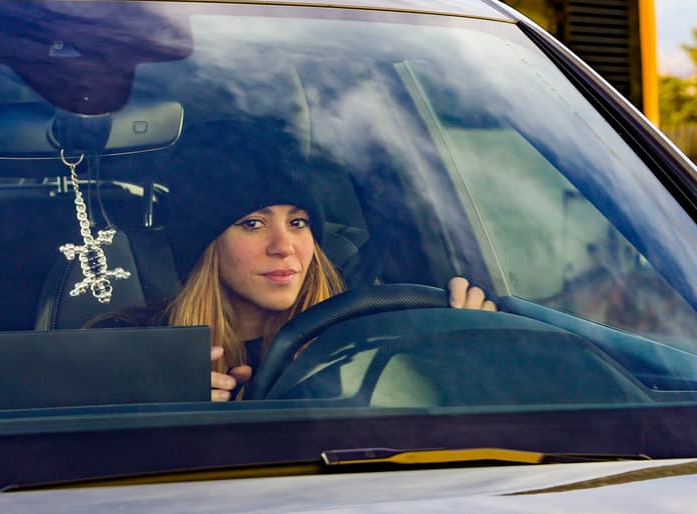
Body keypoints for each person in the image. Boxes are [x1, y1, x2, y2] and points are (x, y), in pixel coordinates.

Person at [94, 122, 495, 401]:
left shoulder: (370, 332)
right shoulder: (134, 348)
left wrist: (465, 336)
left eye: (298, 222)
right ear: (205, 246)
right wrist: (159, 410)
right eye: (252, 224)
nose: (284, 246)